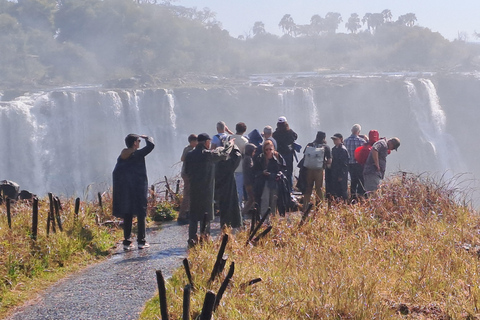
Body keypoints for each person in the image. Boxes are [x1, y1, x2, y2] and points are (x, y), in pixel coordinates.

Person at [185, 133, 233, 247]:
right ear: (206, 142)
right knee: (206, 215)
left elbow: (186, 171)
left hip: (194, 188)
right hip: (206, 189)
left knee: (193, 215)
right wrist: (230, 144)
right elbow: (224, 154)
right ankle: (205, 238)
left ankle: (192, 239)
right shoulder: (208, 154)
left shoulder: (190, 154)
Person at [113, 134, 155, 251]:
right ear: (135, 143)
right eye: (139, 141)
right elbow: (151, 146)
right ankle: (141, 241)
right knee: (141, 214)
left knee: (128, 214)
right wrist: (148, 137)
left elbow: (116, 173)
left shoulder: (121, 157)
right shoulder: (137, 154)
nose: (140, 143)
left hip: (126, 190)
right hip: (138, 188)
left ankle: (127, 242)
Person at [253, 140, 286, 216]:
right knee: (264, 199)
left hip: (275, 181)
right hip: (264, 181)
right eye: (266, 149)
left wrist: (277, 175)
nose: (268, 151)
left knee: (273, 200)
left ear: (273, 149)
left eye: (270, 149)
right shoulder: (261, 157)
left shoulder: (278, 157)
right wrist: (262, 172)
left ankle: (272, 217)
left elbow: (283, 169)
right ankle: (264, 218)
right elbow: (255, 170)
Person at [302, 131, 332, 208]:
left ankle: (305, 206)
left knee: (308, 188)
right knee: (319, 189)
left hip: (308, 169)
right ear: (324, 138)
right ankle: (319, 207)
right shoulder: (326, 147)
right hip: (319, 170)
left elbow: (305, 156)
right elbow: (329, 161)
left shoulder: (309, 145)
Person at [272, 116, 298, 190]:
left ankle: (280, 188)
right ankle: (290, 189)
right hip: (288, 154)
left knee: (280, 171)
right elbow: (295, 136)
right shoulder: (290, 132)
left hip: (279, 155)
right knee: (289, 172)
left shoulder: (275, 134)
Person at [178, 134, 198, 225]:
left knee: (190, 193)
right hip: (187, 174)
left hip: (186, 173)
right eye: (196, 141)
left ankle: (188, 212)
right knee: (187, 194)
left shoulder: (187, 148)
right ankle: (182, 215)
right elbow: (182, 158)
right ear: (192, 142)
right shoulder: (189, 150)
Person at [344, 124, 367, 200]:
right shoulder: (362, 141)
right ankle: (360, 197)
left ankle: (353, 197)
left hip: (350, 164)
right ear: (359, 132)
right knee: (361, 180)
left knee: (353, 181)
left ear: (351, 131)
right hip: (358, 164)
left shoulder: (346, 141)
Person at [231, 122, 249, 208]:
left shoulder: (230, 138)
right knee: (239, 188)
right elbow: (245, 154)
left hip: (229, 167)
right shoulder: (245, 141)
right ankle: (238, 207)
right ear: (244, 130)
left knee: (230, 188)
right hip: (240, 167)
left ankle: (230, 206)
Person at [329, 133, 349, 202]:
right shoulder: (334, 149)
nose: (334, 141)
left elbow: (344, 164)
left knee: (342, 190)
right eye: (333, 139)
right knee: (336, 190)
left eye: (336, 139)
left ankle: (344, 204)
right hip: (335, 173)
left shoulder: (343, 150)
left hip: (341, 174)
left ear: (341, 139)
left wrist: (341, 175)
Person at [242, 143, 256, 217]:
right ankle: (243, 213)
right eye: (254, 151)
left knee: (251, 198)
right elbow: (251, 170)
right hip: (249, 182)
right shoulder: (248, 159)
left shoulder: (245, 158)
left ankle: (244, 213)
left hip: (247, 182)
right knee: (252, 199)